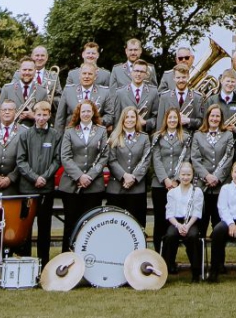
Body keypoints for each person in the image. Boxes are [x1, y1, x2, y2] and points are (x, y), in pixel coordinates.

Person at [58, 99, 109, 250]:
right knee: (71, 222)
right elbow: (65, 157)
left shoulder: (101, 131)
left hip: (94, 186)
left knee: (92, 223)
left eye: (89, 111)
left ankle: (90, 256)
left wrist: (90, 176)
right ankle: (67, 256)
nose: (86, 114)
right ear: (78, 113)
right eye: (83, 111)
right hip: (71, 185)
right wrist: (79, 176)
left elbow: (105, 156)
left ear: (93, 113)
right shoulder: (70, 131)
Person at [14, 100, 60, 269]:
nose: (41, 118)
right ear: (34, 115)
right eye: (38, 115)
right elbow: (21, 160)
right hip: (27, 188)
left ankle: (44, 262)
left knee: (44, 227)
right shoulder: (25, 135)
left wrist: (45, 177)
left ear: (49, 115)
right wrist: (34, 178)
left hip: (46, 189)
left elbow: (57, 159)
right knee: (26, 227)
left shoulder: (55, 135)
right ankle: (26, 263)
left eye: (44, 115)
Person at [191, 104, 236, 235]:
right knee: (200, 225)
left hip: (220, 186)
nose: (215, 118)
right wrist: (207, 176)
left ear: (221, 118)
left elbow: (229, 158)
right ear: (207, 117)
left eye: (217, 116)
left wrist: (217, 177)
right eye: (212, 115)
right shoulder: (198, 135)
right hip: (202, 185)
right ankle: (199, 255)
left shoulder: (228, 135)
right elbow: (195, 159)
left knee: (219, 226)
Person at [151, 107, 190, 252]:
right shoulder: (157, 137)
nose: (172, 120)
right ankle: (157, 256)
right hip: (160, 185)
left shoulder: (185, 137)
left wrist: (176, 181)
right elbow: (156, 159)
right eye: (170, 118)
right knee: (160, 221)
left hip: (178, 185)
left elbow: (186, 159)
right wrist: (166, 180)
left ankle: (170, 258)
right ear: (165, 120)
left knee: (173, 222)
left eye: (175, 118)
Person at [106, 105, 152, 231]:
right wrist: (124, 176)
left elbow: (146, 160)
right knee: (114, 226)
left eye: (133, 117)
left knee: (137, 225)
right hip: (116, 188)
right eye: (127, 117)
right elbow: (111, 160)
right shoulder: (114, 136)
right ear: (122, 119)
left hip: (136, 188)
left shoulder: (144, 137)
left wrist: (133, 178)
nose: (130, 120)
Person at [162, 162, 204, 280]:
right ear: (178, 175)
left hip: (191, 221)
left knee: (193, 236)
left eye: (188, 175)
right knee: (170, 236)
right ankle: (166, 270)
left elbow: (197, 212)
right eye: (183, 174)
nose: (185, 177)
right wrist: (179, 226)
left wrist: (187, 225)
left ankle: (196, 272)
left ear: (192, 175)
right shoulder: (172, 192)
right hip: (176, 222)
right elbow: (169, 214)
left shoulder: (197, 191)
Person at [0, 99, 23, 192]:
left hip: (15, 184)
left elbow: (26, 158)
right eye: (4, 110)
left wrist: (11, 178)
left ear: (16, 112)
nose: (7, 112)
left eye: (10, 110)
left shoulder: (24, 132)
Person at [156, 69, 205, 134]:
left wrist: (189, 121)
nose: (181, 80)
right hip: (168, 141)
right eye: (178, 77)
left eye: (184, 77)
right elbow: (160, 123)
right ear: (174, 78)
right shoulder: (165, 96)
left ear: (188, 77)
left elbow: (202, 123)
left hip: (189, 140)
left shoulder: (197, 97)